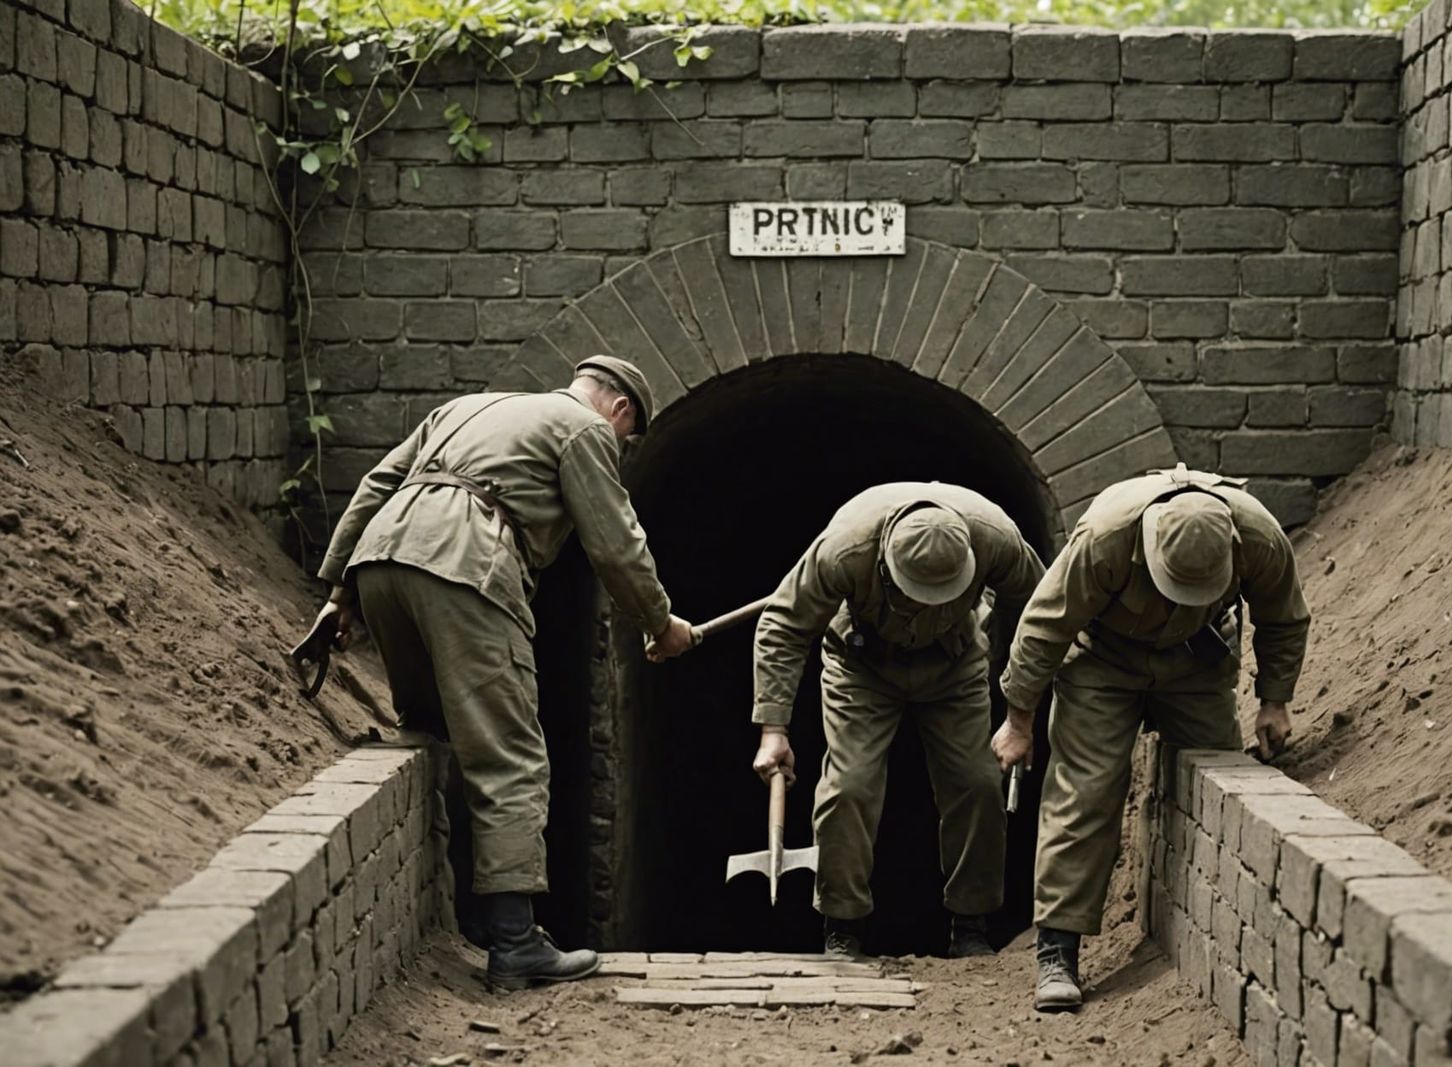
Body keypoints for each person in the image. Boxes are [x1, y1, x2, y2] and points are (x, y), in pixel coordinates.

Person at [309, 355, 695, 989]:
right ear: (621, 409)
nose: (621, 444)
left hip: (382, 562)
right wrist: (659, 623)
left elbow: (377, 484)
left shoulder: (466, 408)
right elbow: (615, 544)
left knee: (435, 730)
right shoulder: (585, 429)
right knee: (510, 755)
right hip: (466, 569)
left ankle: (462, 916)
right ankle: (515, 941)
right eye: (629, 439)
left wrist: (338, 592)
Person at [991, 464, 1309, 1012]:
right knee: (1085, 793)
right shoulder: (1106, 538)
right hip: (1100, 660)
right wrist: (1019, 722)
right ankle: (1057, 950)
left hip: (1196, 657)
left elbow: (1283, 617)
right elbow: (1045, 625)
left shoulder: (1259, 537)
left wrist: (1274, 701)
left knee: (1218, 772)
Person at [750, 482, 1045, 959]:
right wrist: (773, 730)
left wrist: (1019, 712)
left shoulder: (995, 537)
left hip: (955, 663)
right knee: (849, 787)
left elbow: (1043, 612)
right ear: (886, 565)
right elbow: (784, 625)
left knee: (978, 784)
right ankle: (841, 924)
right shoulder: (844, 547)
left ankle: (971, 922)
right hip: (861, 665)